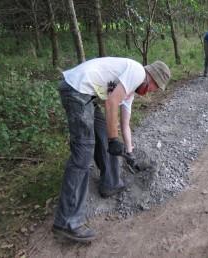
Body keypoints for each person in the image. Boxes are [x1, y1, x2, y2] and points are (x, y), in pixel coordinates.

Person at [52, 57, 171, 243]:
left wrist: (129, 153)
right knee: (83, 153)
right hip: (76, 89)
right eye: (155, 87)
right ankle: (67, 222)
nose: (151, 92)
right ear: (151, 78)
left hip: (87, 96)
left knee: (103, 132)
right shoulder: (137, 71)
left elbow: (125, 124)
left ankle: (110, 183)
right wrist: (113, 139)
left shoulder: (129, 91)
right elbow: (111, 103)